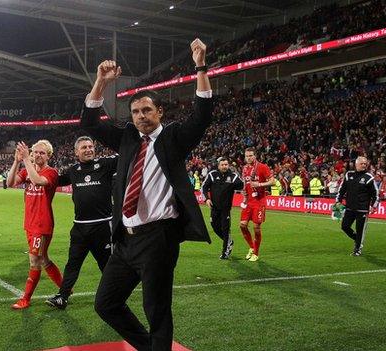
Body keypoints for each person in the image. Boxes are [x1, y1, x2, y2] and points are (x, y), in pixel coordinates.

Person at [82, 38, 212, 351]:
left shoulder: (174, 138)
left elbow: (203, 114)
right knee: (106, 304)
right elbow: (89, 122)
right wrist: (100, 80)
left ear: (159, 112)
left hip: (158, 238)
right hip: (125, 240)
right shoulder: (127, 138)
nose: (141, 115)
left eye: (146, 110)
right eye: (135, 111)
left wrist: (200, 65)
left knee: (157, 310)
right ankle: (149, 347)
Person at [45, 136, 116, 310]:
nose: (88, 150)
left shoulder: (105, 164)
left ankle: (114, 296)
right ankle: (62, 297)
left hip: (103, 226)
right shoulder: (73, 170)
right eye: (84, 147)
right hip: (79, 227)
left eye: (90, 146)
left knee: (106, 265)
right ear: (76, 152)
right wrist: (37, 166)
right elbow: (53, 181)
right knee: (73, 264)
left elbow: (126, 154)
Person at [6, 140, 62, 309]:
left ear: (49, 156)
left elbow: (37, 181)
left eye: (42, 153)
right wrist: (16, 160)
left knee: (34, 260)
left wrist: (26, 160)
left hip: (42, 224)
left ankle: (26, 299)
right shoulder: (26, 170)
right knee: (43, 259)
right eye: (35, 152)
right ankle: (65, 288)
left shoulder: (51, 172)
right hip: (29, 223)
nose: (37, 155)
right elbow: (9, 183)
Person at [201, 157, 243, 259]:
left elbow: (241, 185)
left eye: (226, 165)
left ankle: (225, 253)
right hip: (214, 208)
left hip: (226, 209)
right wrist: (206, 199)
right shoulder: (212, 175)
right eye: (222, 165)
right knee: (214, 226)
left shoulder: (232, 176)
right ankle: (228, 241)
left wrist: (241, 182)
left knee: (225, 230)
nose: (224, 166)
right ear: (218, 165)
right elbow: (204, 187)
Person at [336, 156, 378, 256]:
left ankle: (358, 249)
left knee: (360, 229)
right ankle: (356, 238)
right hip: (349, 207)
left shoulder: (369, 177)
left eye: (365, 164)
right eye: (362, 163)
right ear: (356, 164)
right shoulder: (348, 175)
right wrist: (338, 200)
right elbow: (342, 189)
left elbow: (375, 193)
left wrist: (374, 206)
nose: (364, 165)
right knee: (344, 226)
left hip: (362, 209)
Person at [239, 148, 275, 262]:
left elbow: (273, 181)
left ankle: (256, 252)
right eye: (246, 156)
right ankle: (251, 247)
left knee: (256, 228)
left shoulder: (262, 167)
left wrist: (259, 184)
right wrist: (244, 192)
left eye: (250, 155)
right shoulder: (244, 168)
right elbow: (246, 183)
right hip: (249, 201)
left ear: (255, 156)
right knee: (242, 225)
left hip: (259, 202)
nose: (248, 158)